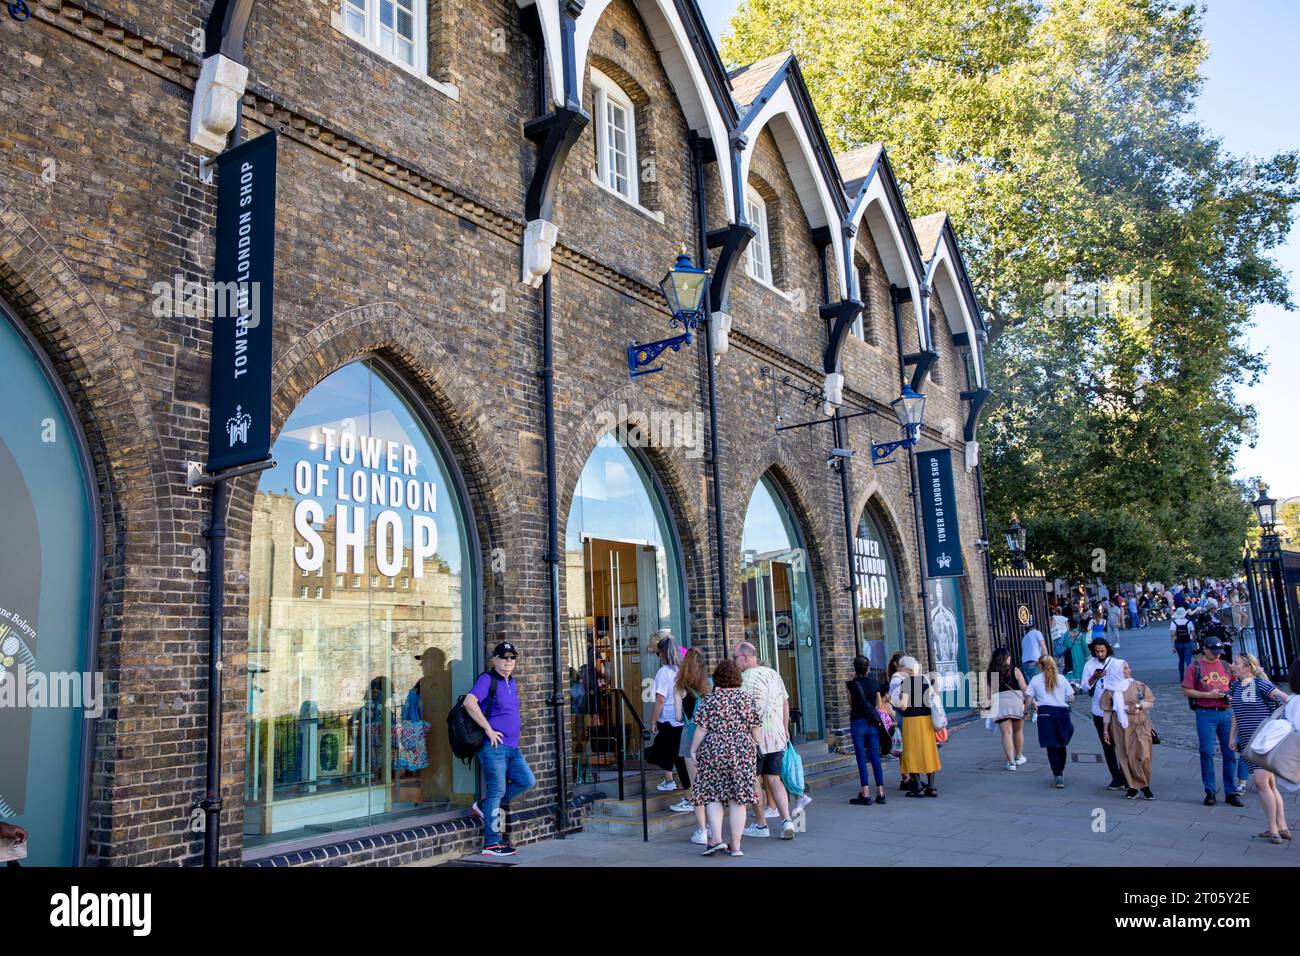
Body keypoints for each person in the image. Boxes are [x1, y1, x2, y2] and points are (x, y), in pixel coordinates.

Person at [465, 641, 535, 857]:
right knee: (497, 791)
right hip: (494, 747)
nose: (508, 661)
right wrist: (488, 729)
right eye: (504, 657)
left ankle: (485, 806)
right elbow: (469, 702)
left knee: (527, 781)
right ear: (494, 660)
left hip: (512, 748)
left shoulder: (510, 681)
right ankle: (492, 844)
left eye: (512, 657)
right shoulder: (488, 679)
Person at [689, 659, 762, 857]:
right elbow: (755, 727)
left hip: (715, 749)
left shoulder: (710, 699)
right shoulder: (747, 699)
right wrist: (756, 746)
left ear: (718, 678)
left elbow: (702, 728)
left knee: (713, 795)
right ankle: (736, 846)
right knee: (738, 800)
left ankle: (716, 839)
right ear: (738, 677)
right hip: (742, 750)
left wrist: (693, 750)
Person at [733, 642, 798, 839]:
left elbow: (742, 712)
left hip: (755, 738)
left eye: (735, 657)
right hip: (777, 736)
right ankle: (787, 820)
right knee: (774, 779)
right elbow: (785, 703)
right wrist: (785, 728)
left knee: (754, 780)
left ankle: (761, 825)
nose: (734, 661)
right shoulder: (773, 673)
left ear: (745, 657)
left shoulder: (743, 679)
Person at [1228, 653, 1291, 844]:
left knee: (1261, 782)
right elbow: (1236, 713)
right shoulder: (1236, 686)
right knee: (1269, 785)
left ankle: (1273, 829)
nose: (1232, 666)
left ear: (1247, 666)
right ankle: (1282, 826)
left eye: (1236, 663)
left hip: (1264, 742)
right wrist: (1232, 736)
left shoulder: (1260, 684)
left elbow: (1284, 698)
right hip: (1247, 741)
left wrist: (1286, 724)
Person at [1181, 636, 1243, 808]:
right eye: (1214, 652)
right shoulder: (1195, 667)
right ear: (1205, 649)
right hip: (1205, 713)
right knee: (1206, 752)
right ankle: (1210, 790)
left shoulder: (1225, 665)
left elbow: (1234, 686)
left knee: (1230, 753)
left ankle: (1231, 791)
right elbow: (1187, 691)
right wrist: (1208, 695)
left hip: (1225, 713)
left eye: (1219, 652)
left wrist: (1229, 697)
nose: (1217, 655)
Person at [672, 646, 713, 844]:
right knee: (711, 785)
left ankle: (702, 830)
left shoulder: (679, 687)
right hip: (710, 738)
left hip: (689, 737)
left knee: (697, 786)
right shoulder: (710, 684)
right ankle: (715, 828)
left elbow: (678, 717)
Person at [1100, 661, 1156, 799]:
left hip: (1139, 722)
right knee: (1125, 756)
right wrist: (1106, 731)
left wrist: (1138, 705)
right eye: (1125, 668)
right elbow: (1107, 711)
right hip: (1119, 723)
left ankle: (1144, 783)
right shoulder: (1110, 689)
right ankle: (1134, 787)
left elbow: (1149, 702)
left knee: (1143, 755)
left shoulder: (1137, 685)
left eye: (1128, 667)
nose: (1128, 670)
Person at [645, 633, 690, 794]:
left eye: (658, 653)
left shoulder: (663, 672)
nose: (657, 656)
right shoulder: (681, 670)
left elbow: (660, 700)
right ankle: (681, 788)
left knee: (668, 756)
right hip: (680, 719)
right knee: (676, 757)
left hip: (669, 720)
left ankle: (688, 794)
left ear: (663, 653)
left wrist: (653, 721)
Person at [1082, 637, 1128, 791]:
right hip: (1099, 710)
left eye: (1102, 651)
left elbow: (1127, 681)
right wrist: (1095, 677)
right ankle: (1116, 777)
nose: (1100, 654)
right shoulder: (1090, 664)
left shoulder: (1116, 663)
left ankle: (1126, 774)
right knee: (1107, 745)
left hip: (1116, 709)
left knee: (1121, 744)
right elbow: (1084, 686)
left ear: (1107, 649)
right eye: (1097, 651)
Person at [892, 656, 941, 796]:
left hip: (911, 722)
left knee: (912, 753)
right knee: (928, 751)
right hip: (926, 720)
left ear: (906, 669)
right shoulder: (925, 680)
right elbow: (932, 698)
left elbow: (904, 706)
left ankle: (918, 787)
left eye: (901, 668)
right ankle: (931, 787)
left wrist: (896, 702)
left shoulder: (906, 683)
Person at [1024, 654, 1075, 787]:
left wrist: (1025, 711)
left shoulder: (1035, 679)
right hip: (1061, 712)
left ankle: (1057, 774)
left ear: (1041, 666)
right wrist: (1062, 698)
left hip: (1045, 713)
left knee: (1050, 745)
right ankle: (1061, 769)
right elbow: (1071, 697)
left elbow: (1029, 699)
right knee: (1061, 743)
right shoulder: (1062, 679)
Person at [846, 654, 888, 805]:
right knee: (875, 757)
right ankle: (881, 791)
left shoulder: (851, 685)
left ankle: (865, 792)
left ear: (855, 669)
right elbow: (879, 706)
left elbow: (850, 704)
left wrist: (852, 682)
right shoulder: (874, 683)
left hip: (857, 723)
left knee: (861, 758)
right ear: (868, 668)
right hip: (872, 723)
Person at [988, 647, 1027, 771]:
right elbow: (1024, 687)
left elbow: (989, 695)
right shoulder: (1015, 670)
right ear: (1006, 658)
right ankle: (1019, 756)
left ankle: (1011, 763)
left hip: (1000, 704)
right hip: (1016, 702)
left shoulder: (991, 673)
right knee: (1018, 731)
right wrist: (1029, 700)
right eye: (1009, 657)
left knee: (1006, 733)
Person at [1170, 608, 1196, 682]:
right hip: (1188, 642)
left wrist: (1173, 646)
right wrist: (1195, 642)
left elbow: (1172, 635)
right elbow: (1193, 634)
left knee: (1181, 660)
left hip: (1178, 642)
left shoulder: (1173, 623)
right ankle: (1189, 678)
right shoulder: (1189, 622)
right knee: (1188, 660)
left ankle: (1182, 676)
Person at [1063, 616, 1088, 687]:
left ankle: (1071, 682)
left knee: (1070, 667)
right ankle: (1079, 683)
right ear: (1077, 626)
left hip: (1069, 654)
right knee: (1080, 667)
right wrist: (1087, 655)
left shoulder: (1067, 634)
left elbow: (1065, 644)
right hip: (1080, 654)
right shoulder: (1080, 634)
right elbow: (1084, 646)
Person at [1020, 620, 1047, 684]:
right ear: (1034, 629)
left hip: (1025, 664)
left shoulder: (1024, 638)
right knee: (1039, 684)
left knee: (1031, 686)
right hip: (1035, 662)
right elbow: (1044, 648)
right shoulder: (1037, 632)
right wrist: (1046, 661)